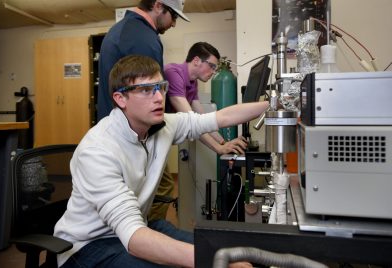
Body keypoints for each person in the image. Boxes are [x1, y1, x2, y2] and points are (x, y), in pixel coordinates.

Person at [54, 55, 269, 267]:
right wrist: (213, 262)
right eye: (146, 90)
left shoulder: (162, 125)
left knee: (230, 255)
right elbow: (134, 238)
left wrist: (273, 105)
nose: (159, 97)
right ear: (120, 99)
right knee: (216, 261)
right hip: (88, 246)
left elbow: (219, 118)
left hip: (137, 228)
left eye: (161, 87)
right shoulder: (97, 150)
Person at [97, 0, 190, 222]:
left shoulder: (122, 30)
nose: (174, 24)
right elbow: (148, 95)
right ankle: (145, 235)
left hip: (119, 127)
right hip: (132, 134)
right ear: (158, 6)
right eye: (173, 16)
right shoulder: (144, 39)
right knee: (161, 186)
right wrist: (160, 131)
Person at [165, 42, 247, 155]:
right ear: (196, 61)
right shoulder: (173, 72)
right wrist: (219, 148)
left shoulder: (193, 82)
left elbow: (202, 119)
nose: (213, 72)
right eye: (212, 66)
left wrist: (224, 143)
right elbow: (193, 121)